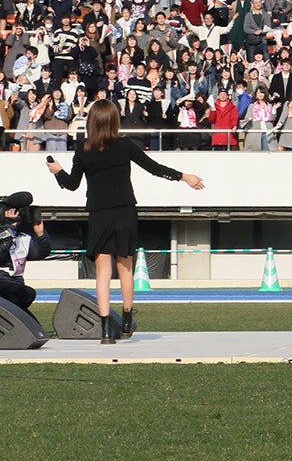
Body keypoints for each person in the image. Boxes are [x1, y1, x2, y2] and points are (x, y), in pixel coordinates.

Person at [48, 99, 205, 343]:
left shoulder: (83, 149)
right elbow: (154, 168)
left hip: (99, 213)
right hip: (124, 211)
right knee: (126, 268)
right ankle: (127, 320)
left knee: (102, 273)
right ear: (114, 121)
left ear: (91, 121)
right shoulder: (125, 145)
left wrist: (57, 171)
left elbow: (71, 185)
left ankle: (105, 330)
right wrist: (184, 177)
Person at [0, 192, 49, 314]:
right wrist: (9, 229)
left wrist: (40, 234)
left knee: (29, 322)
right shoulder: (6, 233)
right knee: (27, 293)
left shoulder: (23, 238)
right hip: (3, 283)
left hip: (16, 282)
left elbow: (40, 253)